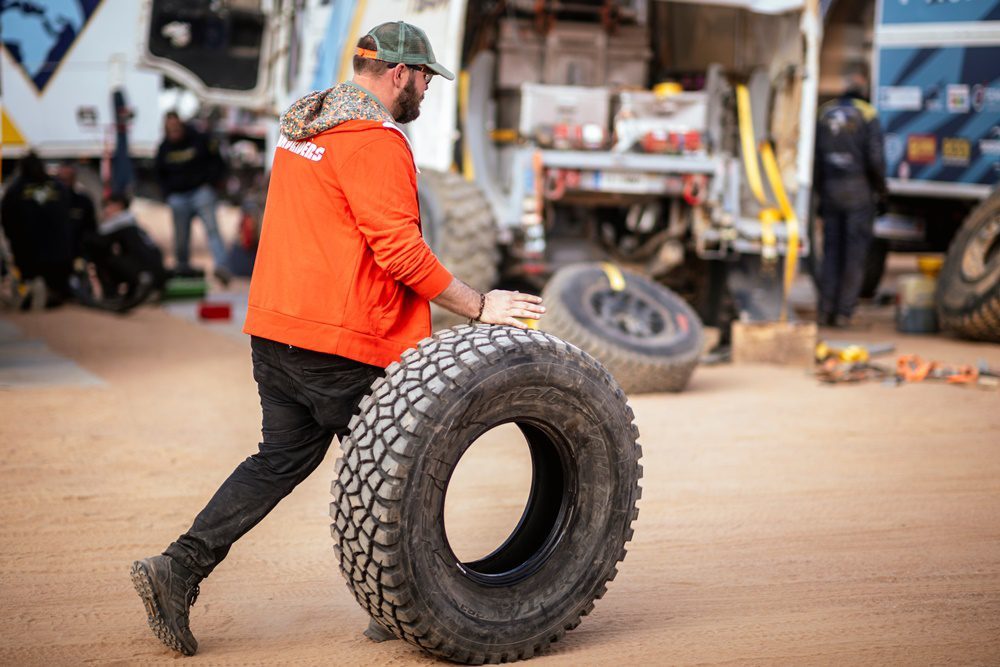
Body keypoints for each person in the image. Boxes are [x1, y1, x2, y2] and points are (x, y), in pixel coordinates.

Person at [131, 21, 545, 657]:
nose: (426, 93)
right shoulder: (376, 143)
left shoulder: (307, 130)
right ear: (400, 74)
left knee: (283, 459)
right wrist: (478, 305)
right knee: (405, 466)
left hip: (276, 330)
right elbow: (401, 250)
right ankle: (406, 605)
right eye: (426, 80)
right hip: (339, 343)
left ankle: (177, 570)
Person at [813, 68, 888, 328]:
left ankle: (824, 310)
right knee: (854, 255)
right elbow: (875, 159)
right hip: (858, 192)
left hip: (830, 191)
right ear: (864, 89)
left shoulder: (825, 113)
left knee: (831, 253)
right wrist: (882, 191)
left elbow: (814, 161)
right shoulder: (868, 114)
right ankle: (844, 313)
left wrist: (818, 195)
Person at [154, 111, 231, 285]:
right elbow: (158, 174)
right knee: (181, 237)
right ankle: (182, 268)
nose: (174, 131)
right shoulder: (164, 148)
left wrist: (211, 184)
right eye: (170, 129)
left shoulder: (199, 138)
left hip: (201, 192)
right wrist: (168, 194)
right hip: (178, 196)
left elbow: (217, 160)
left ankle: (222, 267)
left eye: (176, 127)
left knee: (212, 231)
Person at [0, 152, 74, 307]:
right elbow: (68, 215)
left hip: (28, 252)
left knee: (30, 278)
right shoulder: (58, 187)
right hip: (59, 252)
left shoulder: (15, 190)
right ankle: (48, 294)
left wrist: (12, 241)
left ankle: (31, 292)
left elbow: (7, 219)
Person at [80, 192, 167, 310]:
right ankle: (133, 292)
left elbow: (96, 243)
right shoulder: (132, 222)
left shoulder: (118, 223)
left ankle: (110, 295)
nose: (105, 210)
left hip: (145, 277)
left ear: (119, 206)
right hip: (155, 275)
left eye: (108, 206)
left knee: (102, 258)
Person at [54, 162, 98, 261]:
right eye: (61, 180)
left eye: (68, 179)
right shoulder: (49, 203)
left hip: (78, 255)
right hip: (54, 256)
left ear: (74, 179)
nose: (64, 184)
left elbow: (91, 230)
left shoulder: (83, 202)